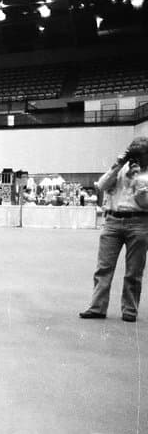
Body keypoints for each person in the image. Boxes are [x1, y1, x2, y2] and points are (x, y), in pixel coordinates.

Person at [79, 138, 148, 323]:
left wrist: (138, 179)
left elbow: (144, 202)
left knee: (134, 271)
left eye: (139, 153)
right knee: (103, 268)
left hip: (139, 222)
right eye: (132, 152)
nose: (135, 157)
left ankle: (129, 310)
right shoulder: (121, 168)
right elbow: (101, 186)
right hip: (112, 221)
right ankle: (97, 307)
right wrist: (118, 165)